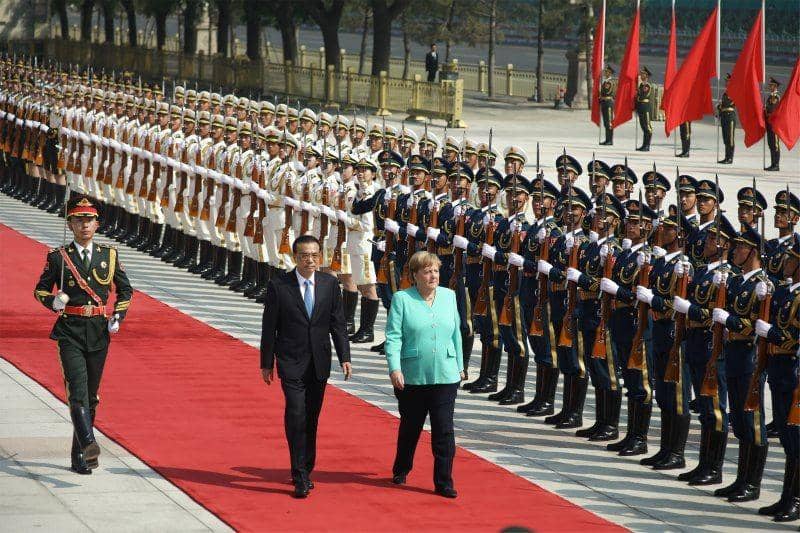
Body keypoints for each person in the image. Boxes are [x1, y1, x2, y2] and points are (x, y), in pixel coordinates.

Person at [33, 194, 133, 475]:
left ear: (97, 224)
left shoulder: (108, 256)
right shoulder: (58, 258)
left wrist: (118, 315)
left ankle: (80, 454)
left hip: (99, 332)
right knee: (76, 390)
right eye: (79, 220)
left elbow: (125, 290)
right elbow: (40, 289)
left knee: (91, 396)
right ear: (70, 223)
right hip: (70, 331)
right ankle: (89, 442)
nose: (84, 226)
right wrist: (53, 302)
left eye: (89, 220)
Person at [259, 234, 352, 499]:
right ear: (295, 257)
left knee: (311, 418)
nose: (310, 260)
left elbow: (337, 323)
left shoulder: (329, 284)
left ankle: (307, 468)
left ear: (319, 256)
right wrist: (266, 363)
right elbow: (270, 327)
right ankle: (299, 474)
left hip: (319, 362)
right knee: (296, 414)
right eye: (304, 256)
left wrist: (345, 356)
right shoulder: (279, 285)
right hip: (290, 360)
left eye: (314, 255)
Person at [385, 251, 464, 498]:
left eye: (436, 271)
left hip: (445, 374)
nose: (433, 276)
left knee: (444, 430)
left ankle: (444, 481)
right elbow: (393, 336)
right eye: (427, 271)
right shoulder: (401, 299)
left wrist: (460, 365)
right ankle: (402, 467)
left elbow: (457, 333)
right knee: (411, 427)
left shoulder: (449, 296)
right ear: (415, 275)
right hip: (412, 375)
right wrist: (394, 368)